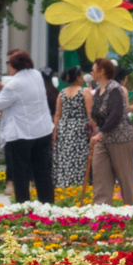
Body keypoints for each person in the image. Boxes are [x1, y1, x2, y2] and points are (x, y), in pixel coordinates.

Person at [0, 50, 56, 204]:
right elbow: (22, 94)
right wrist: (3, 87)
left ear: (14, 66)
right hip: (42, 131)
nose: (7, 66)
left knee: (21, 173)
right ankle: (47, 205)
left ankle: (23, 205)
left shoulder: (14, 83)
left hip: (22, 134)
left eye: (8, 63)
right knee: (43, 171)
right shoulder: (35, 75)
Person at [86, 56, 133, 204]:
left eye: (93, 69)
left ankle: (130, 210)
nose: (91, 71)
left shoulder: (114, 89)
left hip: (121, 139)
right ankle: (101, 210)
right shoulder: (97, 91)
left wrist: (101, 133)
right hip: (103, 139)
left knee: (124, 177)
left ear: (102, 71)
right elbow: (97, 115)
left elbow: (116, 114)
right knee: (100, 175)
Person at [51, 62, 92, 200]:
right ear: (79, 77)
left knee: (64, 158)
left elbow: (57, 114)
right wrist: (94, 129)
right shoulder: (84, 91)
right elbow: (89, 112)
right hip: (79, 128)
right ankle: (78, 187)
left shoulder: (62, 93)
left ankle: (63, 186)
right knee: (79, 158)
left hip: (64, 128)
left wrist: (55, 132)